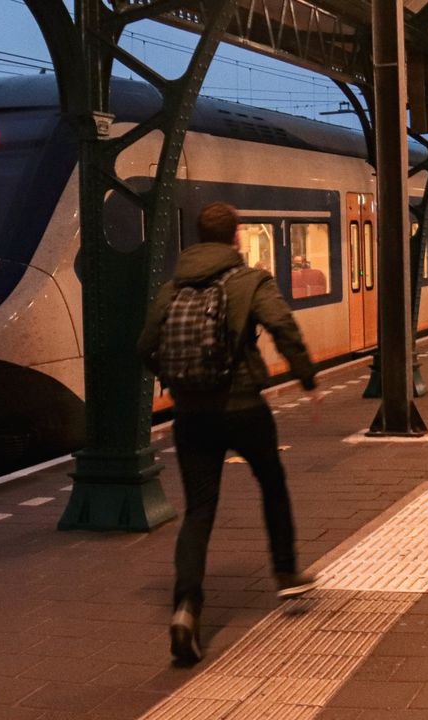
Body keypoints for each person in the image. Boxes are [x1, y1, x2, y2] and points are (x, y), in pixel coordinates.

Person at [137, 202, 321, 666]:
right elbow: (282, 325)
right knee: (272, 484)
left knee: (199, 510)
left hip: (192, 416)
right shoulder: (250, 280)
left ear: (199, 237)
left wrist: (176, 381)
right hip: (243, 408)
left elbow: (144, 346)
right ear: (237, 236)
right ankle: (285, 571)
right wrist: (307, 377)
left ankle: (186, 607)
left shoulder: (173, 287)